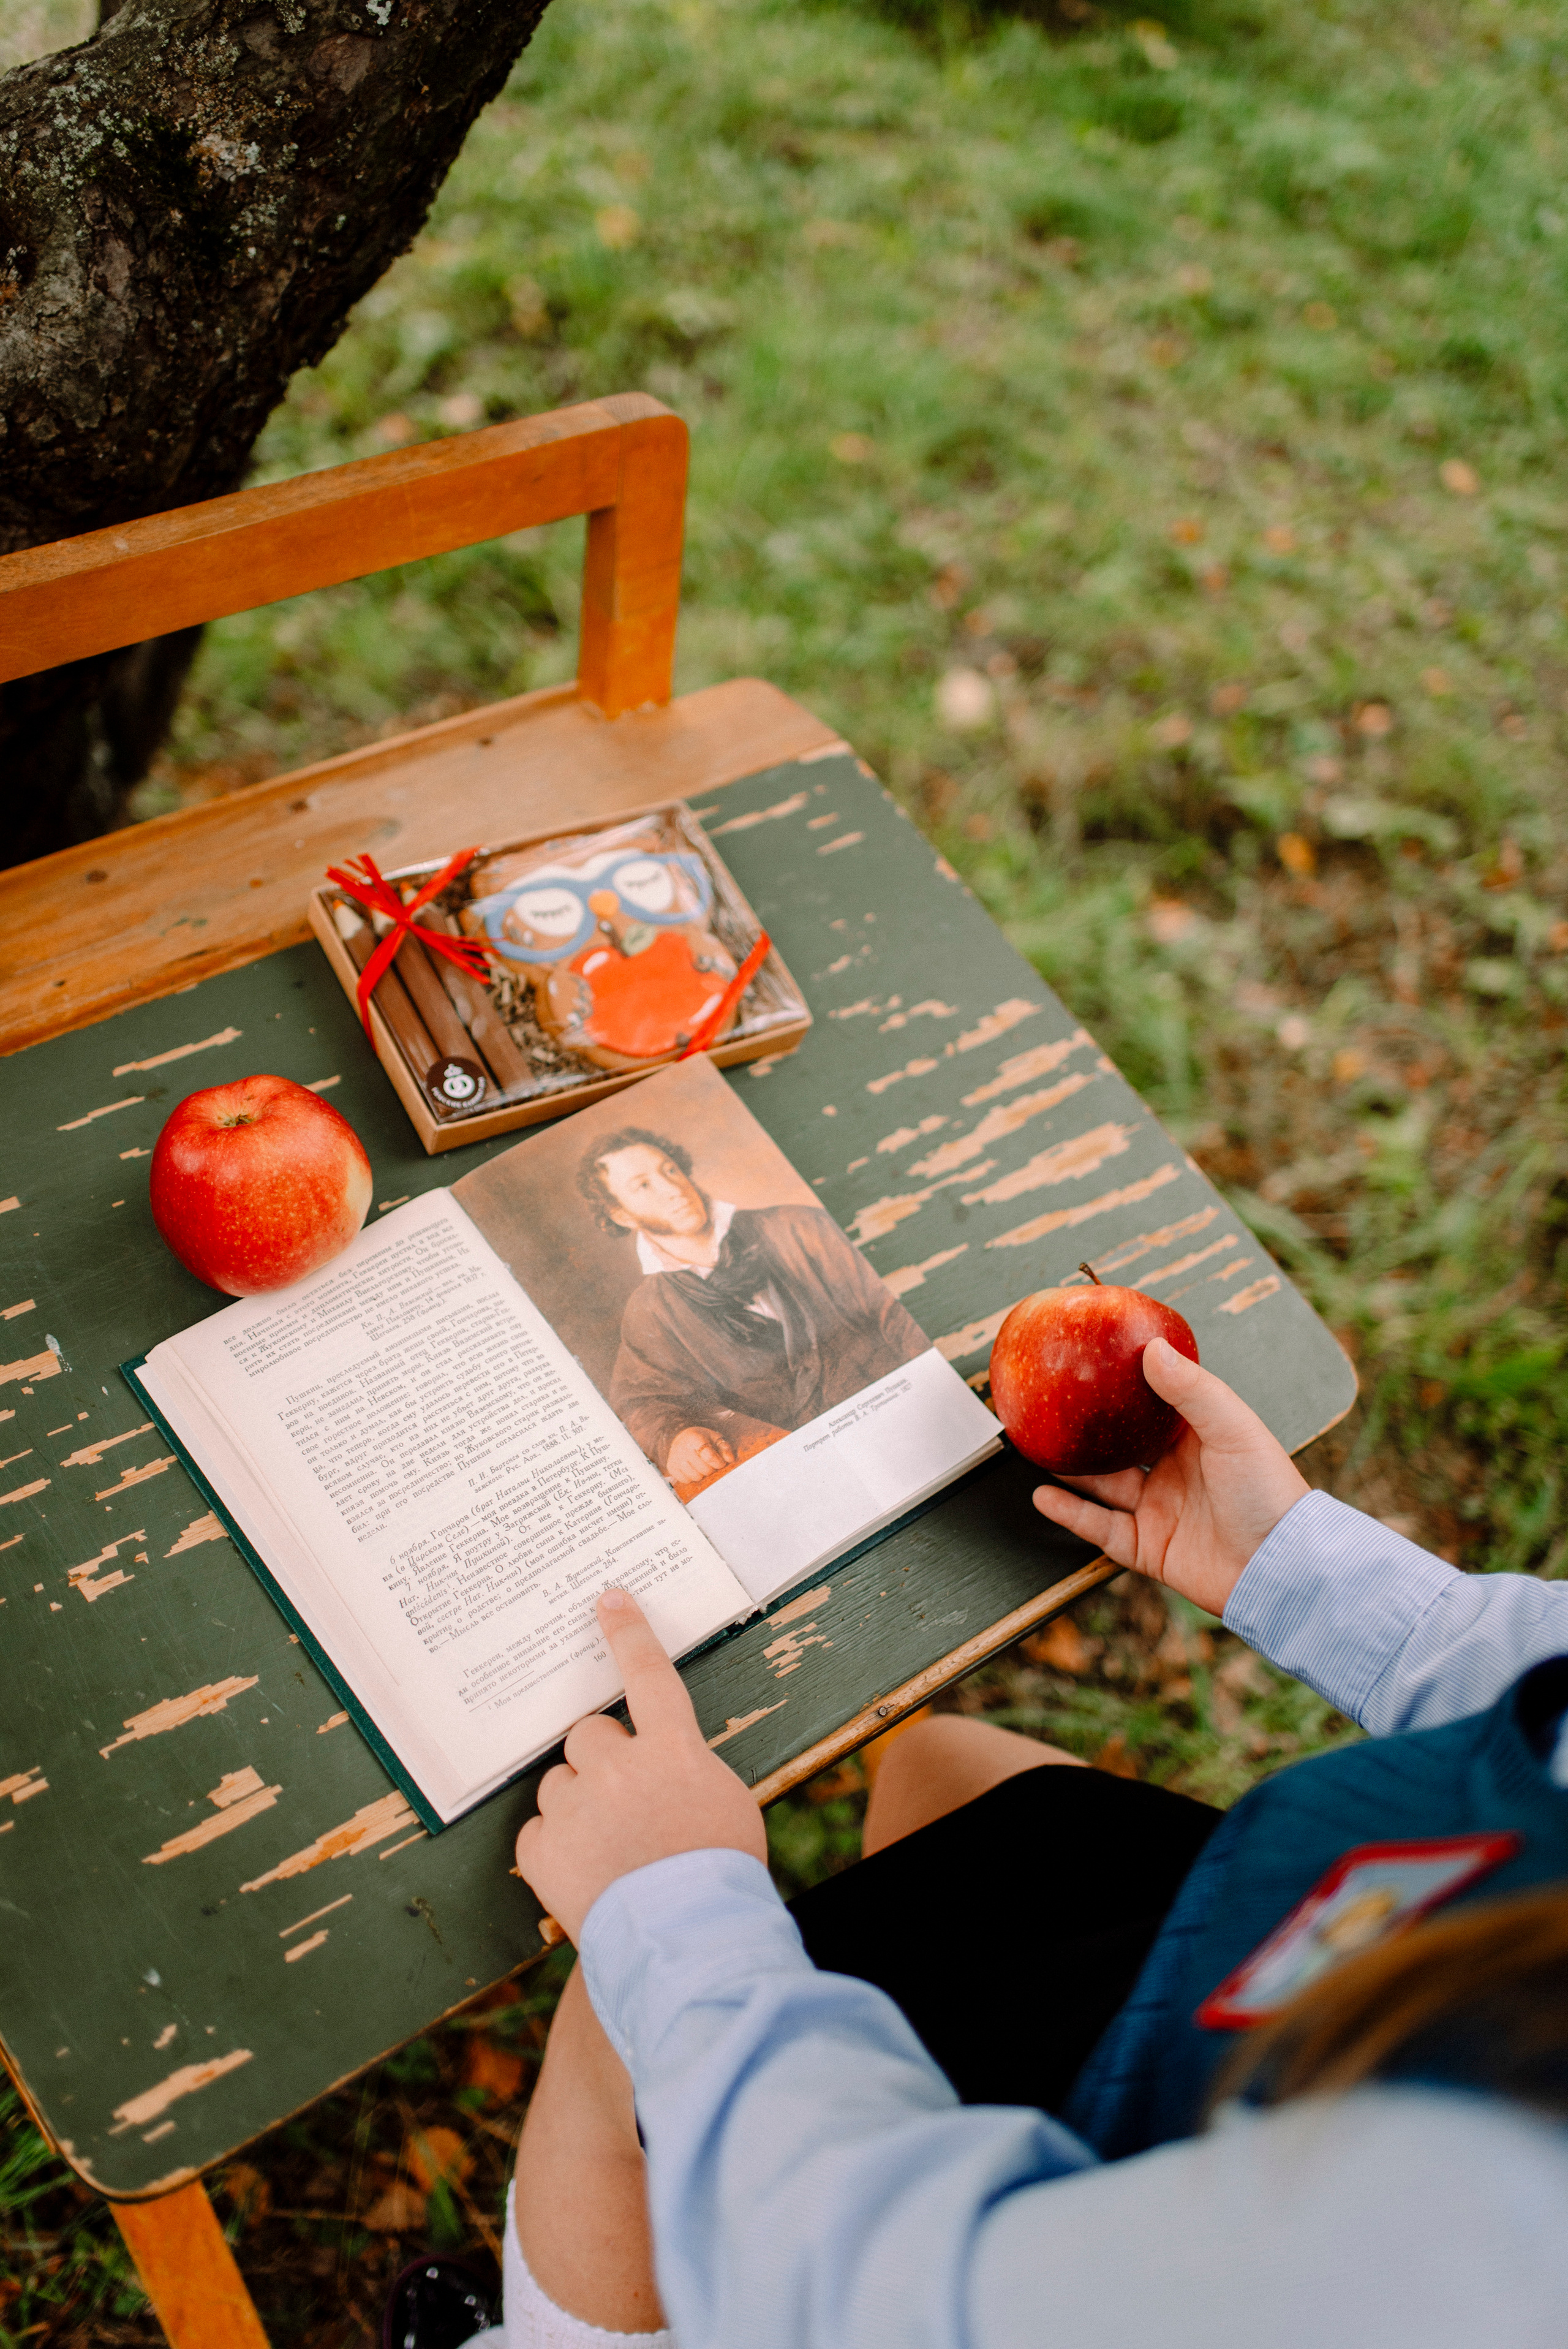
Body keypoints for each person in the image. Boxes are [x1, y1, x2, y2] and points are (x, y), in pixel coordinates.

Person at [440, 1339, 1568, 2349]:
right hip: (1307, 1935)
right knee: (946, 1774)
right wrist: (1303, 1569)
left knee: (613, 2020)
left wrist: (673, 1907)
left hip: (1144, 2166)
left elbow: (897, 2300)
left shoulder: (1478, 2218)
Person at [578, 1127, 929, 1489]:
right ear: (622, 1215)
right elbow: (642, 1401)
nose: (673, 1189)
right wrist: (676, 1438)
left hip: (906, 1413)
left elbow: (902, 1311)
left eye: (670, 1170)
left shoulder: (799, 1226)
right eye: (643, 1186)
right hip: (813, 1470)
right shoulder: (651, 1310)